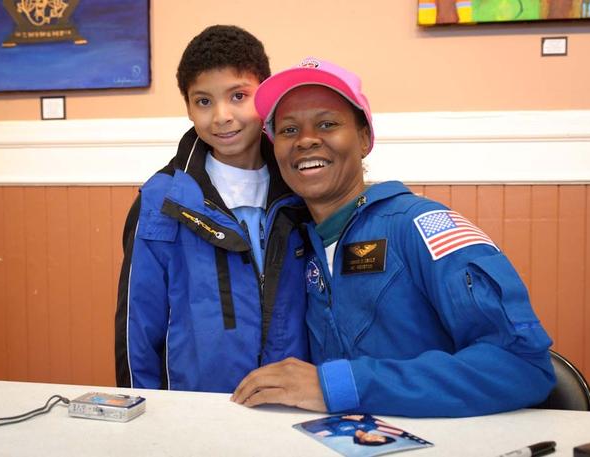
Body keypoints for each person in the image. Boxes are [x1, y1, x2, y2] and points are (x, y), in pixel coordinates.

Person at [231, 57, 556, 416]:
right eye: (289, 130)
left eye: (327, 123)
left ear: (365, 138)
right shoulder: (296, 247)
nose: (306, 140)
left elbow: (522, 365)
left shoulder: (423, 225)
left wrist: (341, 384)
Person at [114, 26, 310, 392]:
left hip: (292, 404)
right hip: (194, 411)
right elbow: (137, 326)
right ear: (188, 107)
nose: (221, 115)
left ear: (265, 96)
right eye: (203, 101)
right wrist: (141, 410)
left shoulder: (302, 189)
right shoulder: (162, 201)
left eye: (238, 96)